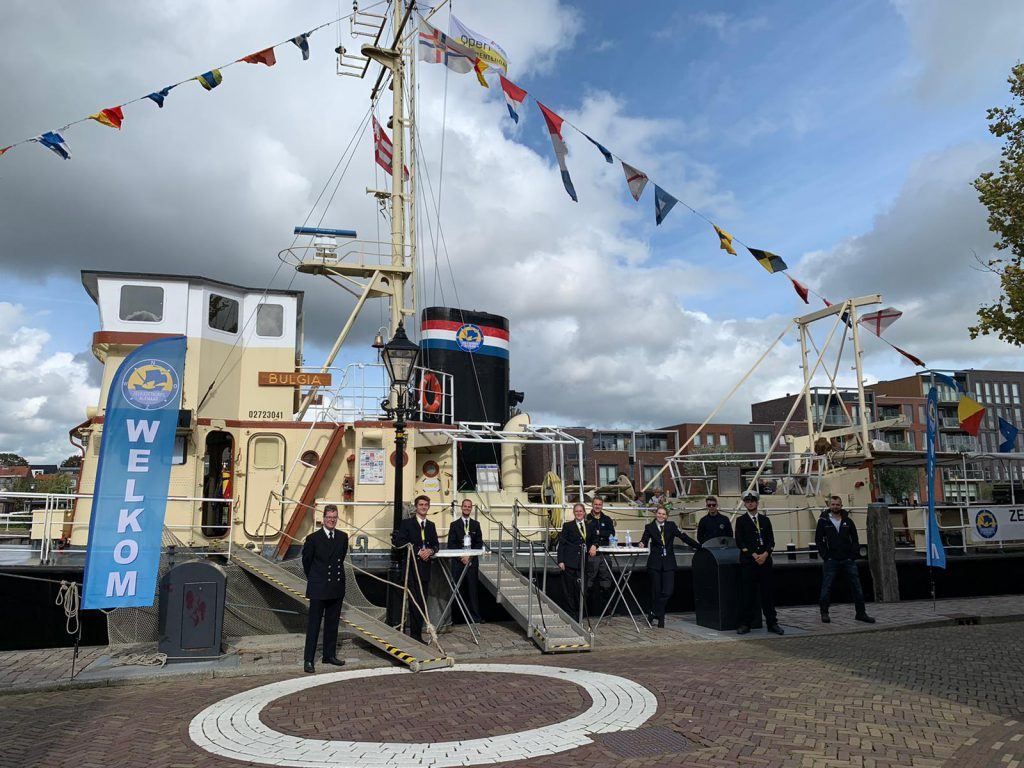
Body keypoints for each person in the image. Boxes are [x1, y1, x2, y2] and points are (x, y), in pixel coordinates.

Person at [301, 504, 348, 673]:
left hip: (336, 586)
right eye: (329, 517)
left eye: (334, 518)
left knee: (332, 624)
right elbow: (307, 562)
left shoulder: (343, 537)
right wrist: (316, 579)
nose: (331, 520)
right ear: (323, 518)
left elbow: (340, 558)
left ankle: (329, 655)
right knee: (314, 625)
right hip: (318, 587)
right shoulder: (313, 538)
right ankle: (308, 660)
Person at [816, 496, 876, 624]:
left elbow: (855, 539)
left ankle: (861, 613)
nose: (835, 507)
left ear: (841, 505)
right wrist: (825, 555)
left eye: (837, 504)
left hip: (847, 559)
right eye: (833, 504)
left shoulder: (848, 521)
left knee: (857, 587)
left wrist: (853, 555)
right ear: (829, 505)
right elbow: (819, 540)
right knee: (826, 587)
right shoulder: (823, 521)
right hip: (831, 559)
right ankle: (824, 613)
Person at [641, 504, 699, 627]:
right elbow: (644, 539)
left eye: (663, 514)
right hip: (655, 563)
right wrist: (641, 543)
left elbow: (683, 537)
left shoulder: (671, 526)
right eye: (659, 513)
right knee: (656, 592)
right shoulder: (649, 527)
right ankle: (661, 619)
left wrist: (698, 546)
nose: (661, 516)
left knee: (668, 591)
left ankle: (653, 612)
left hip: (669, 563)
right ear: (655, 514)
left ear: (666, 516)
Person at [734, 490, 783, 635]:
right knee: (748, 595)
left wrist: (765, 554)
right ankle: (746, 623)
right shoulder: (741, 521)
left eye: (752, 501)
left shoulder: (765, 520)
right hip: (749, 563)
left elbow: (771, 540)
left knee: (767, 594)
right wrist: (754, 555)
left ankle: (772, 623)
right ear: (744, 503)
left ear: (757, 502)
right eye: (747, 501)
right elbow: (740, 541)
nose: (750, 503)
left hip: (765, 562)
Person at [393, 494, 439, 643]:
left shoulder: (431, 525)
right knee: (413, 603)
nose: (423, 507)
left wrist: (430, 551)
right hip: (412, 570)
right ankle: (414, 636)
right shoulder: (407, 524)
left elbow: (436, 545)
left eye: (426, 505)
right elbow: (400, 541)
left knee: (422, 602)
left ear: (428, 507)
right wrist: (419, 550)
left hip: (425, 570)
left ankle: (417, 634)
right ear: (416, 507)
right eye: (421, 505)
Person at [446, 498, 484, 623]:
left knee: (472, 589)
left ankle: (475, 618)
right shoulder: (454, 525)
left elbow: (478, 543)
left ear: (471, 508)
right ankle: (456, 618)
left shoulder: (476, 525)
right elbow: (451, 544)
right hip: (458, 563)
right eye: (465, 506)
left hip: (472, 562)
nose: (467, 508)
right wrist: (461, 557)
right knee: (457, 588)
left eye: (469, 506)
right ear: (461, 508)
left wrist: (469, 556)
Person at [557, 503, 592, 619]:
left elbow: (594, 539)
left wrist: (594, 545)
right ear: (573, 512)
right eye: (576, 511)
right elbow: (561, 544)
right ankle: (570, 614)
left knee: (581, 590)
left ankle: (580, 613)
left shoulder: (589, 526)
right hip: (570, 562)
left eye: (580, 511)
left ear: (584, 512)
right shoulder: (567, 526)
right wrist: (561, 560)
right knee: (569, 590)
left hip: (583, 563)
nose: (578, 513)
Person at [585, 497, 616, 615]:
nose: (597, 506)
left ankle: (608, 610)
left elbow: (612, 533)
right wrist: (600, 533)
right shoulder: (587, 518)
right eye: (595, 504)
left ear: (602, 506)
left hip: (605, 554)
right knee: (589, 581)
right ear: (592, 505)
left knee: (606, 582)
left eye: (600, 504)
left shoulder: (607, 519)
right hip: (592, 554)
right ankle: (586, 611)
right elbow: (587, 534)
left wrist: (598, 532)